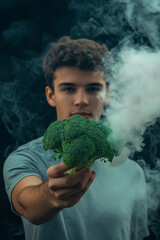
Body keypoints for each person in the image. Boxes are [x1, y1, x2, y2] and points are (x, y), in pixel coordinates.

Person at [3, 36, 149, 240]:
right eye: (69, 89)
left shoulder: (132, 172)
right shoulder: (25, 159)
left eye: (93, 89)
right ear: (50, 95)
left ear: (108, 95)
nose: (81, 100)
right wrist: (51, 196)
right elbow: (28, 204)